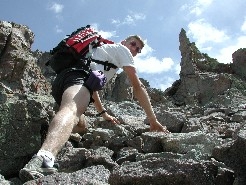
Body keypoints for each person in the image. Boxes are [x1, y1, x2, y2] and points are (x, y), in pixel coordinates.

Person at [19, 34, 170, 182]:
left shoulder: (104, 53)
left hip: (63, 80)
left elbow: (93, 89)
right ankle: (43, 160)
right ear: (124, 42)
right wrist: (153, 119)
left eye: (138, 49)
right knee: (72, 110)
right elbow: (138, 87)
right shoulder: (122, 51)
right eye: (133, 44)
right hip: (79, 78)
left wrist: (103, 113)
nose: (135, 49)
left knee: (81, 124)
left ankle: (50, 131)